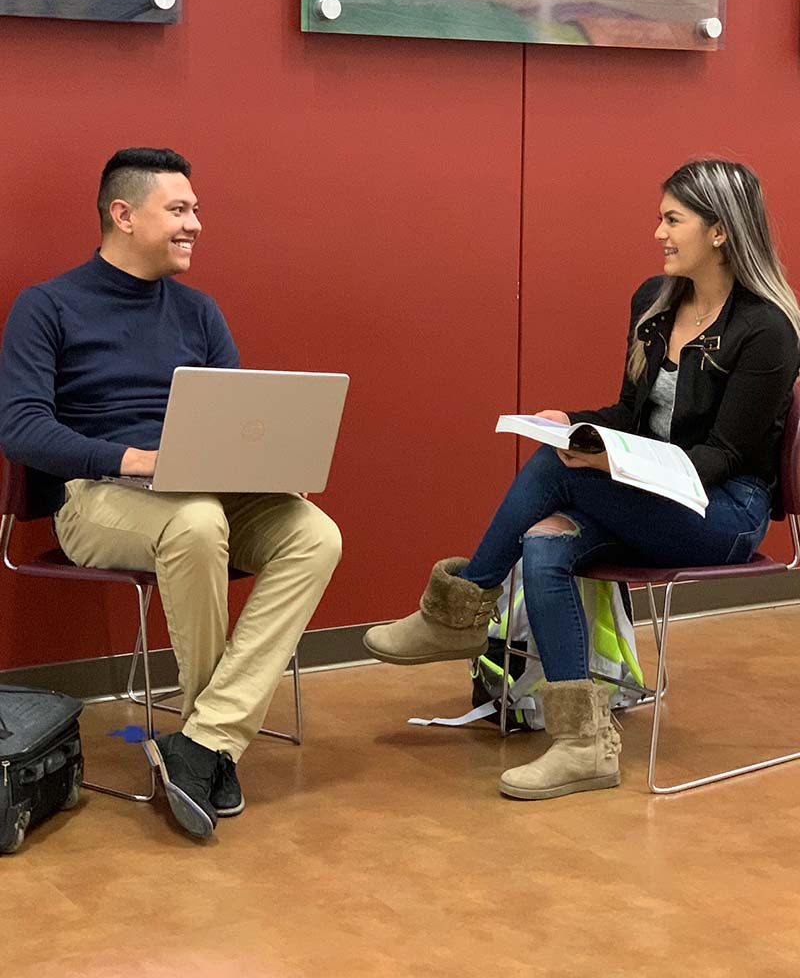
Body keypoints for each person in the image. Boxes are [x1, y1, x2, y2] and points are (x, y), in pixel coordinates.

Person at [365, 160, 800, 801]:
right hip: (654, 497)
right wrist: (573, 422)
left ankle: (460, 608)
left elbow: (725, 455)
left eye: (673, 219)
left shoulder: (767, 329)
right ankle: (584, 746)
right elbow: (631, 413)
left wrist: (617, 465)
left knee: (552, 470)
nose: (658, 232)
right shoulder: (654, 303)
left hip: (725, 513)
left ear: (720, 232)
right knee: (545, 538)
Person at [0, 148, 342, 839]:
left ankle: (205, 741)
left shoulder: (199, 311)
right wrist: (135, 458)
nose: (196, 225)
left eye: (196, 211)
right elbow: (20, 428)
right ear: (124, 215)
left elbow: (236, 419)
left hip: (203, 494)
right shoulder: (47, 306)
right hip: (95, 498)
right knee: (194, 521)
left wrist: (269, 462)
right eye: (179, 210)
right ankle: (211, 744)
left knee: (315, 534)